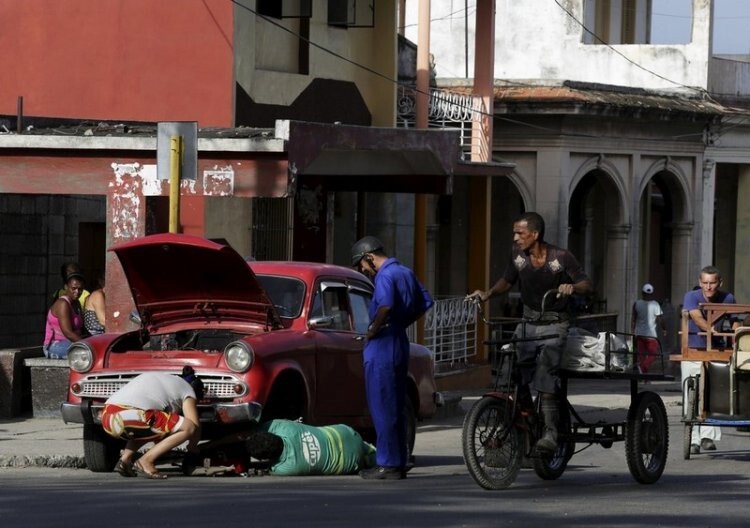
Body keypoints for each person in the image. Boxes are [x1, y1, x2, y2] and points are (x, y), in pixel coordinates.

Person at [468, 212, 591, 454]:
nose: (515, 238)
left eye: (520, 233)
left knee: (546, 369)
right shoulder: (518, 257)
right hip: (528, 321)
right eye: (515, 233)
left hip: (555, 322)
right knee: (510, 367)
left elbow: (586, 283)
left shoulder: (560, 257)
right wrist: (488, 293)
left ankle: (551, 432)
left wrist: (572, 287)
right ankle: (524, 419)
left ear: (534, 235)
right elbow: (507, 279)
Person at [350, 235, 433, 480]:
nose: (364, 271)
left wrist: (373, 330)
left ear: (369, 257)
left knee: (382, 406)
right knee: (395, 405)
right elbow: (424, 302)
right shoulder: (404, 272)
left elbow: (384, 305)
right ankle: (399, 460)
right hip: (399, 340)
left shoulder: (385, 275)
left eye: (362, 266)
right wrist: (402, 322)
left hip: (383, 344)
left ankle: (387, 463)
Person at [101, 367, 203, 479]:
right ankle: (146, 461)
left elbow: (156, 432)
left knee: (149, 426)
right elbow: (194, 425)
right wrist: (193, 448)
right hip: (132, 416)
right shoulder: (188, 390)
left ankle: (124, 461)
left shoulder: (165, 379)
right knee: (188, 427)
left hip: (107, 418)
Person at [682, 265, 738, 455]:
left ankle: (708, 436)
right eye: (705, 283)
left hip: (716, 350)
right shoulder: (691, 296)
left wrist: (739, 335)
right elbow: (696, 316)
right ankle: (693, 439)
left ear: (719, 283)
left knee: (714, 392)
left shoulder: (727, 298)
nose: (708, 287)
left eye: (712, 283)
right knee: (691, 393)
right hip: (693, 349)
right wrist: (709, 329)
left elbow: (735, 320)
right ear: (700, 283)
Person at [193, 419, 376, 476]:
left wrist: (210, 445)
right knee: (366, 449)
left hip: (352, 462)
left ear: (266, 459)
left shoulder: (286, 468)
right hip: (345, 433)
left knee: (364, 458)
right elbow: (247, 434)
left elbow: (269, 469)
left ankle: (370, 456)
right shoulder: (282, 427)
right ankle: (373, 451)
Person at [42, 272, 85, 358]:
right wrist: (88, 344)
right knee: (86, 354)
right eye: (74, 288)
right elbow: (68, 333)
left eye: (80, 289)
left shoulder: (76, 303)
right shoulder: (63, 304)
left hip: (71, 342)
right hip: (54, 346)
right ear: (66, 287)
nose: (77, 292)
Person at [631, 283, 666, 374]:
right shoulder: (655, 304)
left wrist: (632, 331)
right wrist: (664, 329)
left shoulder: (636, 304)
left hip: (639, 334)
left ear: (642, 293)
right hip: (651, 335)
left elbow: (633, 319)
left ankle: (643, 376)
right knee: (653, 355)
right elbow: (661, 319)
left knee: (642, 356)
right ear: (652, 294)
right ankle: (642, 368)